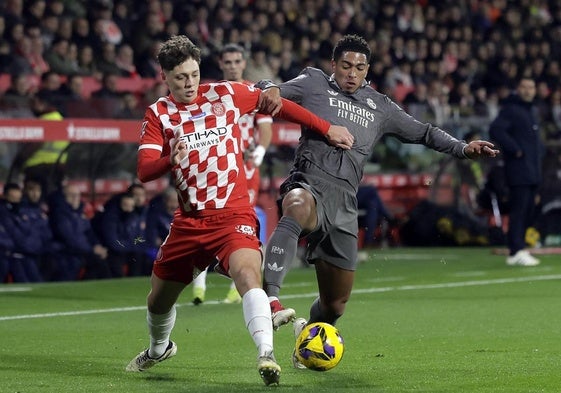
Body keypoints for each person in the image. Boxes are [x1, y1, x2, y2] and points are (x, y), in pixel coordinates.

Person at [124, 35, 353, 386]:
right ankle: (159, 349)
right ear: (165, 77)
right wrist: (172, 160)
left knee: (248, 276)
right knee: (158, 300)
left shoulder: (224, 94)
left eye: (194, 74)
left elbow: (278, 106)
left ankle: (266, 354)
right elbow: (144, 169)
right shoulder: (159, 113)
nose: (189, 83)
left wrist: (325, 127)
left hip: (233, 215)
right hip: (189, 223)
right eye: (181, 77)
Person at [257, 35, 499, 364]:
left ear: (367, 69)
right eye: (345, 66)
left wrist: (462, 148)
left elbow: (424, 132)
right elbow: (270, 88)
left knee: (335, 304)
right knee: (296, 206)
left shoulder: (380, 107)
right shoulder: (314, 82)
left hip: (345, 203)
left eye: (359, 68)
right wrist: (269, 85)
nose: (351, 74)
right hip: (310, 181)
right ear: (333, 65)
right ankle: (269, 302)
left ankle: (307, 346)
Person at [191, 43, 274, 306]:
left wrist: (260, 151)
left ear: (243, 63)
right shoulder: (211, 92)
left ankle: (240, 284)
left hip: (246, 169)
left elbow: (266, 128)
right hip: (215, 168)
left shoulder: (254, 92)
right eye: (228, 62)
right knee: (205, 218)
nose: (233, 66)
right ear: (221, 64)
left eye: (237, 61)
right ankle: (199, 285)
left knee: (242, 225)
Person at [489, 77, 544, 266]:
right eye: (525, 87)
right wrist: (515, 149)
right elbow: (495, 129)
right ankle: (516, 250)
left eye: (531, 86)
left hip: (532, 171)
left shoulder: (531, 111)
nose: (528, 90)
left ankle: (519, 247)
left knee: (527, 210)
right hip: (519, 170)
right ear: (518, 89)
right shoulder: (512, 110)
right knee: (519, 211)